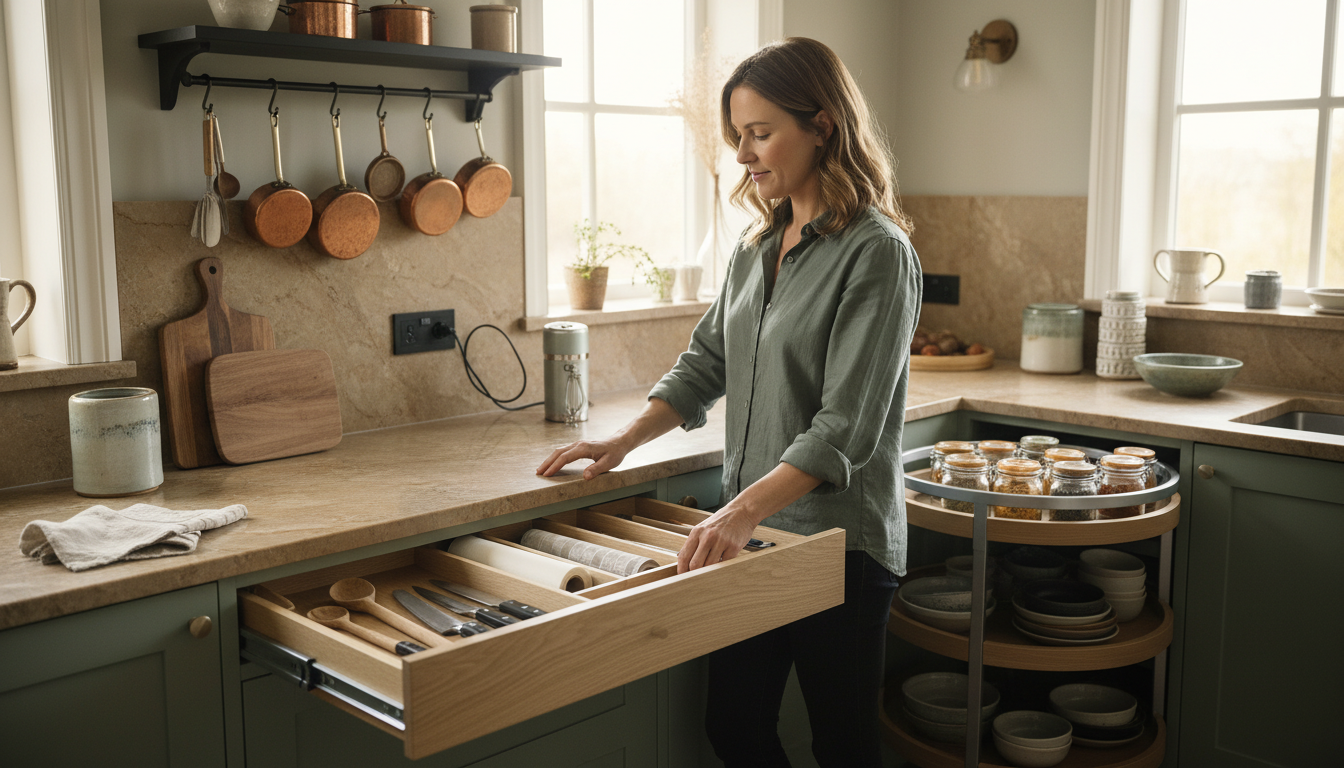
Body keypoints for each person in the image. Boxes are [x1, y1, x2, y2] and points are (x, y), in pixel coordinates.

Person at [536, 37, 921, 768]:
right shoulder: (756, 247)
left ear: (823, 126)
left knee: (845, 748)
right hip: (754, 533)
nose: (744, 155)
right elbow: (706, 361)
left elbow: (845, 426)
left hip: (840, 544)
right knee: (734, 727)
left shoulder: (877, 252)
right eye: (738, 136)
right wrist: (623, 440)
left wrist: (740, 510)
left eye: (760, 133)